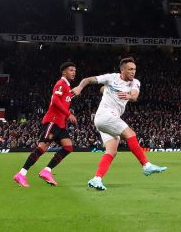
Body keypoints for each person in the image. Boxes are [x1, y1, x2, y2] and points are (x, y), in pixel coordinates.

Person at [71, 57, 167, 190]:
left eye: (134, 69)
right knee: (130, 134)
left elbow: (134, 95)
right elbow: (88, 79)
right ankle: (146, 165)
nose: (133, 72)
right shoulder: (111, 77)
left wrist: (130, 96)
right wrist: (80, 87)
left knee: (111, 151)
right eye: (130, 69)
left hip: (106, 120)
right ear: (122, 70)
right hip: (105, 116)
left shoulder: (135, 82)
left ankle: (96, 179)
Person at [13, 61, 79, 187]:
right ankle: (21, 174)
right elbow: (55, 100)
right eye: (71, 70)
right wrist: (68, 114)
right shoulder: (61, 83)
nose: (73, 72)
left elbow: (64, 99)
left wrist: (72, 93)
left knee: (68, 147)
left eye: (74, 71)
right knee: (42, 148)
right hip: (52, 121)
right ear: (64, 72)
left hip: (60, 124)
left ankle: (47, 170)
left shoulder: (67, 87)